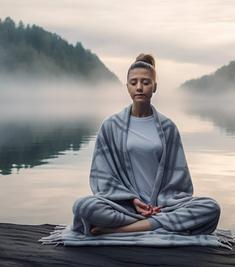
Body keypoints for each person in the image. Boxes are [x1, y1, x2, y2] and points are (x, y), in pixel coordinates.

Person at [71, 53, 221, 236]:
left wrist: (162, 203)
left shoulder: (168, 128)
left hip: (164, 206)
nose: (139, 88)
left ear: (155, 87)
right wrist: (132, 200)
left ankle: (122, 230)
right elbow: (102, 178)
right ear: (127, 87)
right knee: (84, 206)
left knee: (211, 207)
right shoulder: (111, 126)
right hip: (125, 207)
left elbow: (179, 180)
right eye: (134, 83)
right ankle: (153, 224)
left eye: (146, 82)